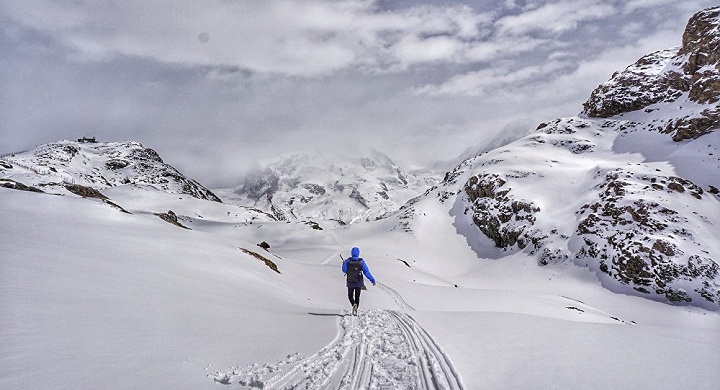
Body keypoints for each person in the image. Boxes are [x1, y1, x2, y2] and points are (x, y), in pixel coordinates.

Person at [342, 247, 376, 316]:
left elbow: (344, 270)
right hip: (359, 282)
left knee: (350, 296)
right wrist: (372, 280)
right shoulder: (361, 262)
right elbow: (366, 272)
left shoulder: (348, 261)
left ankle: (353, 304)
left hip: (350, 282)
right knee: (357, 296)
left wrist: (344, 263)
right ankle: (356, 308)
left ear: (351, 253)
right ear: (358, 253)